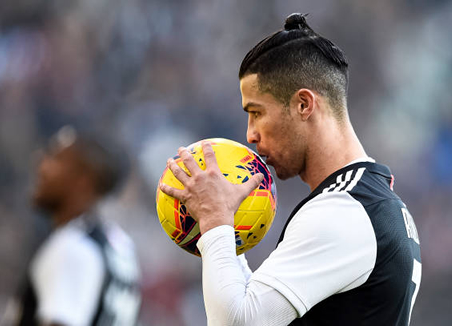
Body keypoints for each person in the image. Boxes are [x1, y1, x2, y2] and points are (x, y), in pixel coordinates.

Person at [160, 13, 421, 326]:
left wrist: (216, 220)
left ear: (303, 105)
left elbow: (239, 322)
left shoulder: (343, 210)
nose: (250, 134)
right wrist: (229, 222)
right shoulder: (371, 200)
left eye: (256, 112)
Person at [11, 126, 141, 326]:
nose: (41, 164)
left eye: (54, 158)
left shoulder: (72, 248)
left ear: (83, 181)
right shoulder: (119, 244)